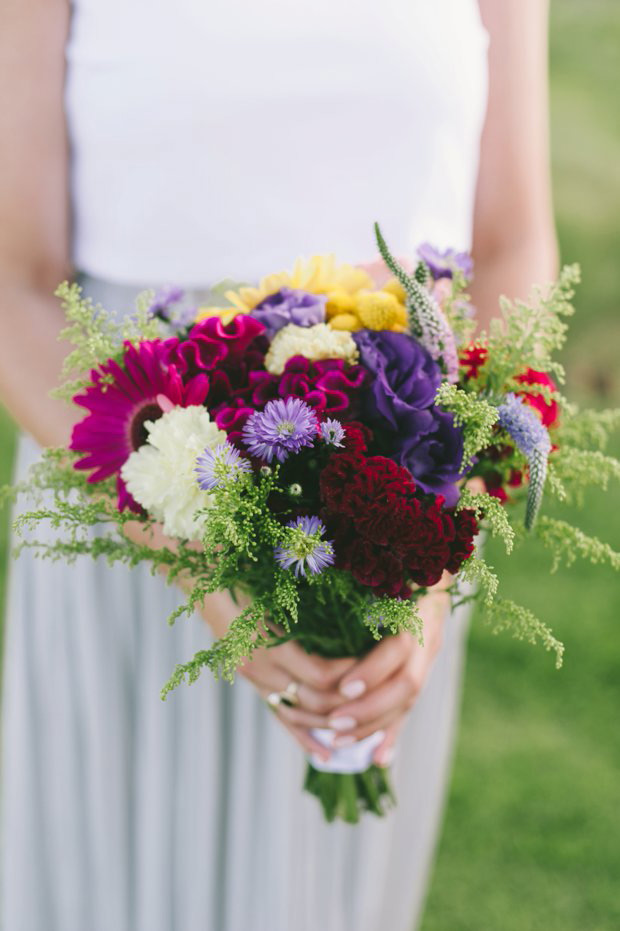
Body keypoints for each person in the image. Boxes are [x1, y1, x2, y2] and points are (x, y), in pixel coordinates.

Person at [0, 1, 557, 928]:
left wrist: (432, 547)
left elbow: (512, 243)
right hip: (130, 494)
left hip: (391, 510)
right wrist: (191, 549)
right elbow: (15, 281)